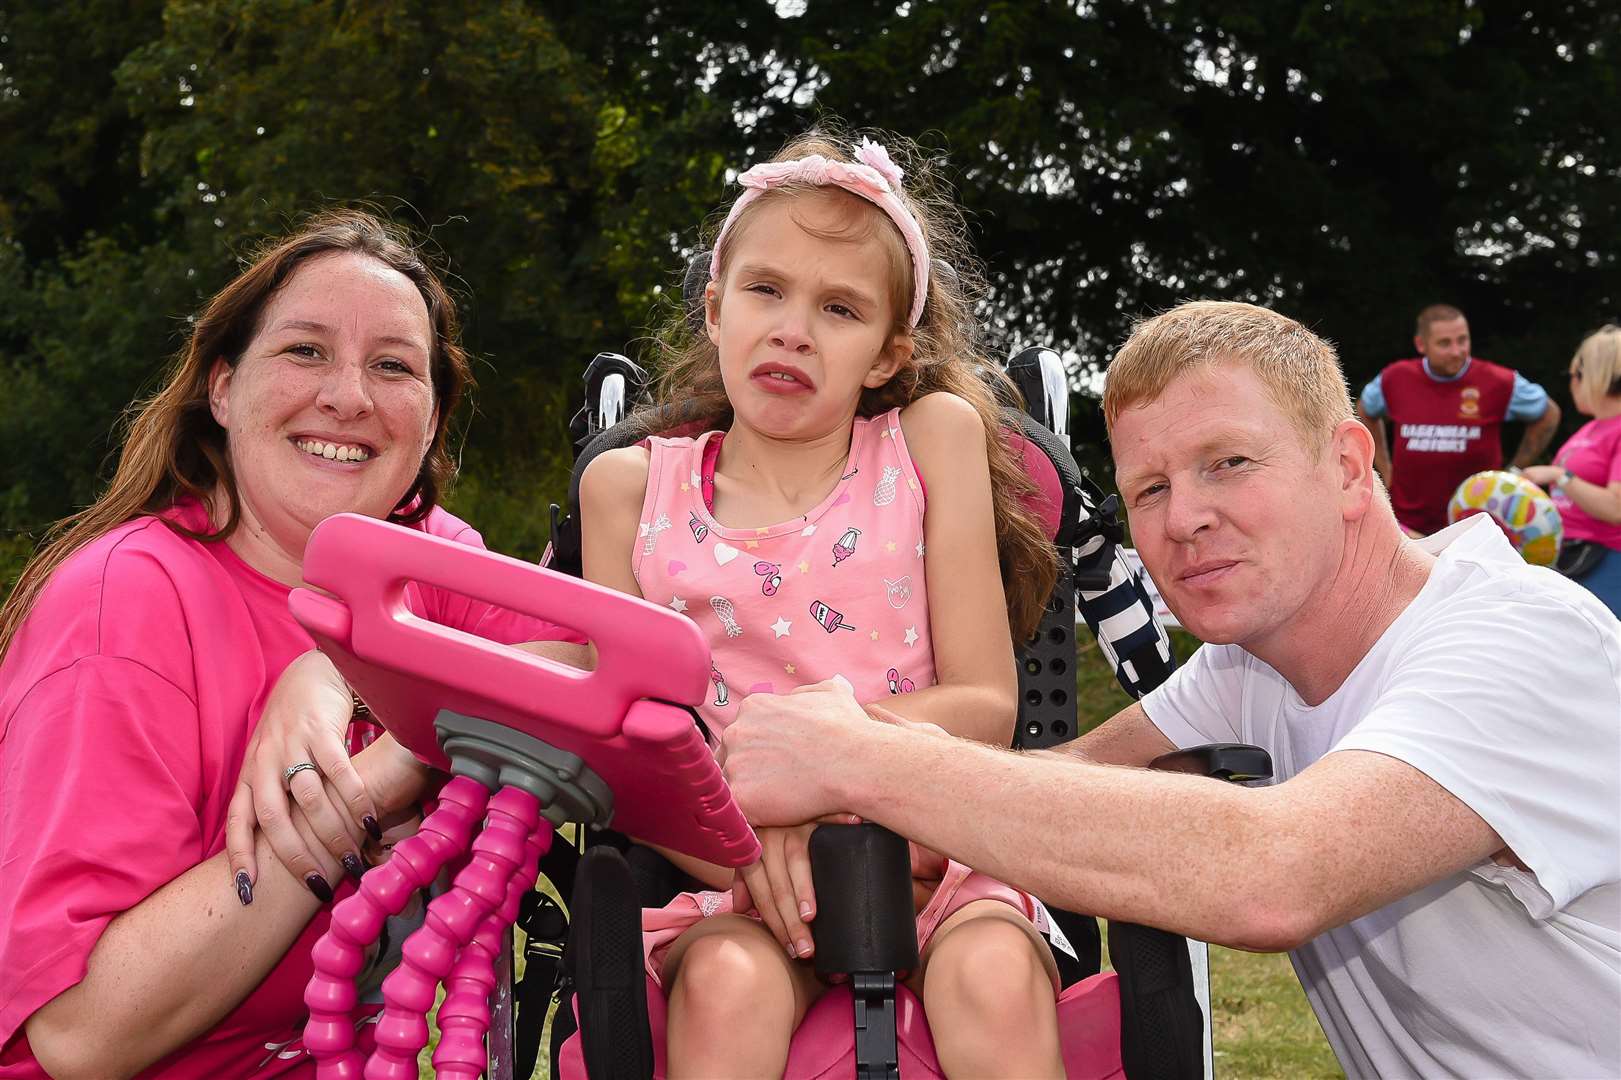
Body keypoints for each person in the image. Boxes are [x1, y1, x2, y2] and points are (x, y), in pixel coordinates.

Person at [720, 301, 1621, 1078]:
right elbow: (1063, 785)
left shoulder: (1517, 640)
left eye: (1228, 462)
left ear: (1350, 467)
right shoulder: (1248, 667)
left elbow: (1277, 873)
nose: (1183, 518)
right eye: (1147, 488)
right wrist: (813, 829)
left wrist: (858, 757)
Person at [0, 210, 583, 1078]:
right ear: (223, 390)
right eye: (305, 351)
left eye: (392, 366)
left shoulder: (424, 561)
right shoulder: (123, 603)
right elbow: (82, 1037)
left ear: (429, 426)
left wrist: (338, 671)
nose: (348, 396)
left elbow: (606, 663)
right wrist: (384, 775)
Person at [578, 130, 1066, 1077]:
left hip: (939, 848)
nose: (793, 329)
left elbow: (982, 704)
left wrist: (825, 773)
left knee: (995, 979)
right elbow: (626, 750)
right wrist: (749, 844)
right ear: (714, 310)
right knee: (726, 986)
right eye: (765, 291)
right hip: (740, 870)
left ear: (888, 355)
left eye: (838, 308)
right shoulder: (628, 492)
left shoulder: (930, 440)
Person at [1355, 303, 1561, 535]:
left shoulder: (1498, 381)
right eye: (1445, 343)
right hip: (1408, 525)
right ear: (1421, 345)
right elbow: (1365, 410)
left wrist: (1514, 471)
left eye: (1462, 340)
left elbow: (1548, 413)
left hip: (1477, 528)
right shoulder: (1395, 378)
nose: (1457, 351)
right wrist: (1384, 468)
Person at [1522, 324, 1621, 614]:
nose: (1571, 384)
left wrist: (1559, 476)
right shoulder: (1590, 429)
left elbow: (1616, 508)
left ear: (1593, 376)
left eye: (1574, 375)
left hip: (1605, 563)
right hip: (1572, 561)